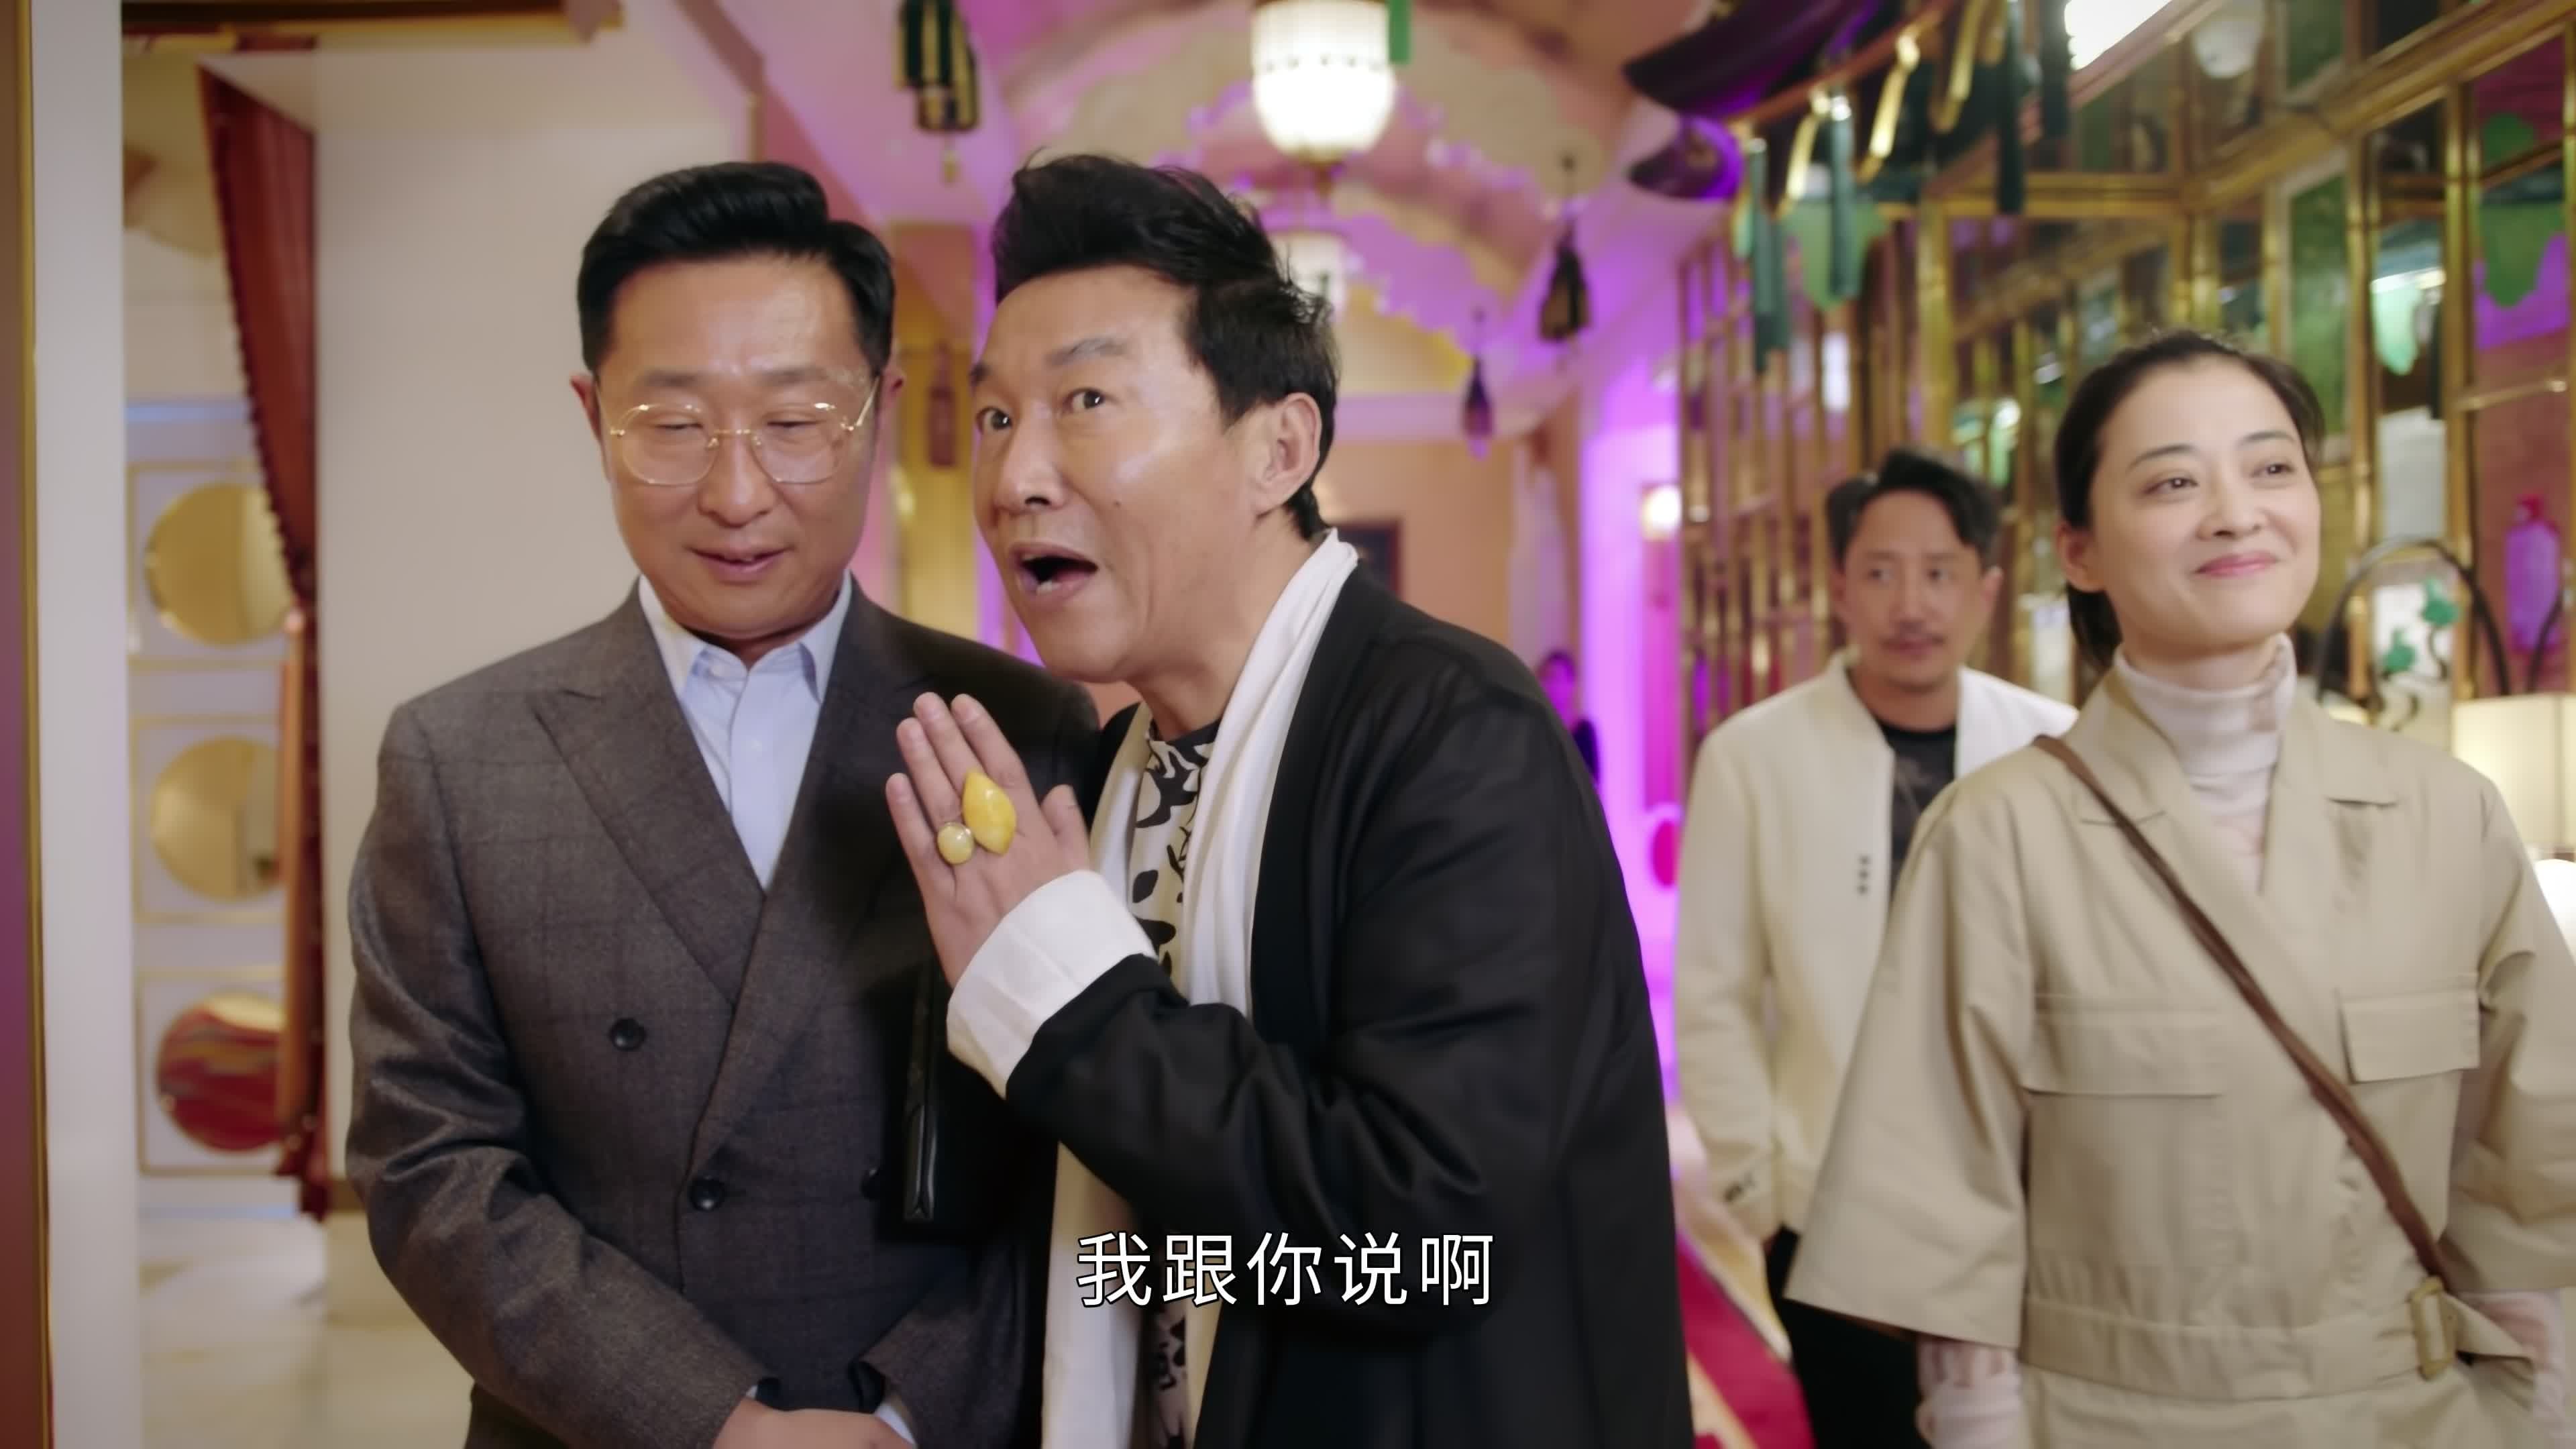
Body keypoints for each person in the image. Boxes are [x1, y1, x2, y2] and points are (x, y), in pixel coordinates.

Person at [877, 154, 1692, 1449]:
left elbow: (1422, 1244)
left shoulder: (1450, 735)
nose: (1015, 474)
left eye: (1086, 400)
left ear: (1280, 447)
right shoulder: (1110, 768)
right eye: (992, 416)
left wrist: (1071, 1017)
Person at [345, 162, 1096, 1449]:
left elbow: (1081, 1159)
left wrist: (908, 1414)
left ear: (879, 411)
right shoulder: (459, 761)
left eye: (797, 420)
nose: (737, 494)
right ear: (593, 417)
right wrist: (716, 1423)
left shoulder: (1022, 730)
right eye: (673, 423)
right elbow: (430, 1165)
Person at [1787, 331, 2576, 1447]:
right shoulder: (1999, 835)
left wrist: (2532, 1417)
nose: (2235, 514)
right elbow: (1954, 1240)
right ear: (2079, 550)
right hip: (2109, 1416)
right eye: (2172, 483)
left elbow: (2528, 1194)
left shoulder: (2450, 816)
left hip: (2412, 1415)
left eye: (2271, 467)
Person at [1672, 448, 2074, 1446]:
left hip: (2027, 1200)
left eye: (1939, 573)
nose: (1912, 604)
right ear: (1841, 590)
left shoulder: (2056, 747)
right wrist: (1758, 1193)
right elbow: (1715, 992)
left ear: (1985, 590)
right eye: (1883, 573)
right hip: (1829, 1208)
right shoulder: (1753, 757)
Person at [1536, 649, 1600, 781]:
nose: (1550, 685)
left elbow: (1593, 781)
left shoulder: (1585, 730)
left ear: (1571, 683)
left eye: (1556, 678)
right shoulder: (1537, 728)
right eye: (1545, 678)